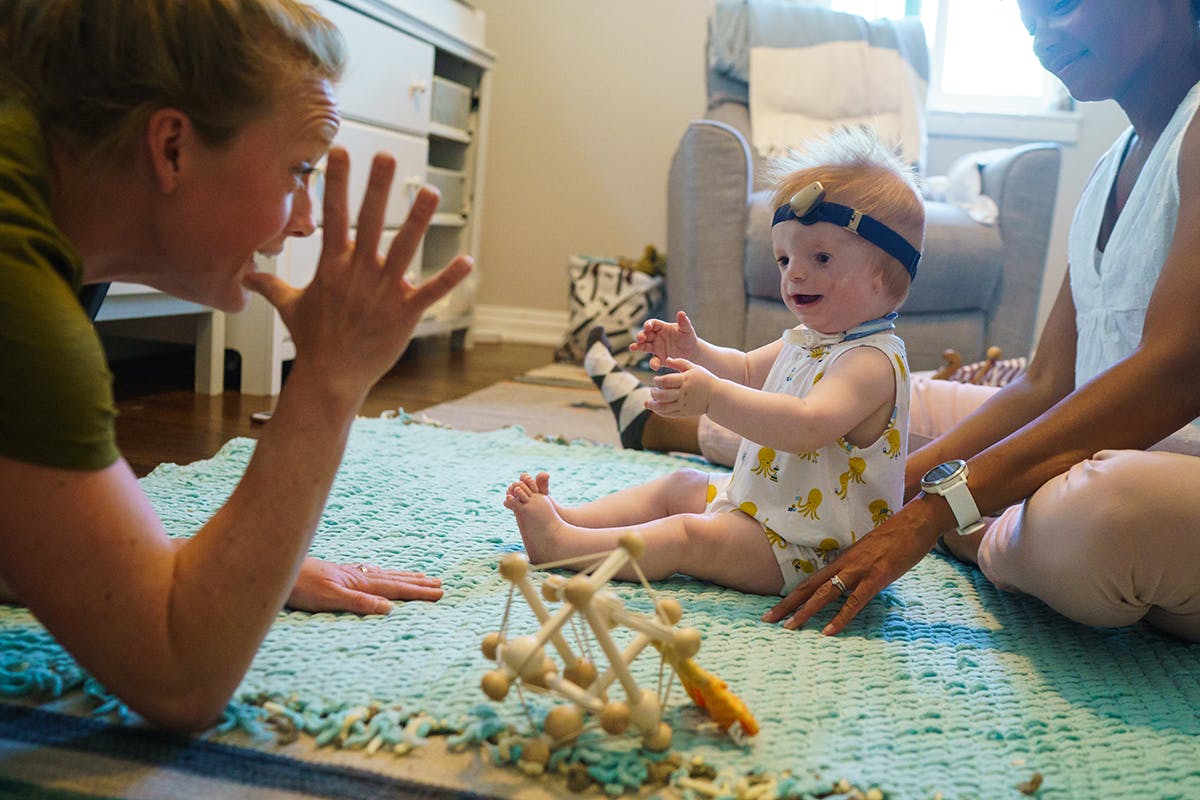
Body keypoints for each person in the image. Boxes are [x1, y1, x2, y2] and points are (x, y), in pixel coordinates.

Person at [0, 0, 472, 730]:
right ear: (173, 149)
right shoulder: (16, 288)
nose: (305, 218)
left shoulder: (55, 210)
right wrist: (328, 378)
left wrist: (218, 571)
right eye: (298, 170)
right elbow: (178, 676)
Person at [760, 0, 1200, 641]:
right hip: (1104, 445)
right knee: (869, 396)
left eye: (1062, 7)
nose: (1040, 37)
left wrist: (934, 510)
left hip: (1154, 480)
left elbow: (1175, 374)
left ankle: (988, 530)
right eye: (1027, 22)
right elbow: (1047, 382)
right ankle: (672, 421)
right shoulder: (1113, 165)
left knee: (1102, 515)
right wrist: (891, 488)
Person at [505, 129, 925, 596]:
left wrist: (711, 397)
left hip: (809, 551)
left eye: (821, 257)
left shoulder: (869, 362)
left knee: (691, 535)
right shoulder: (810, 340)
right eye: (784, 259)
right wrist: (695, 353)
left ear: (885, 275)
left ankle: (566, 547)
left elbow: (806, 425)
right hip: (764, 509)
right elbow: (746, 369)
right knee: (680, 484)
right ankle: (573, 521)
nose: (795, 274)